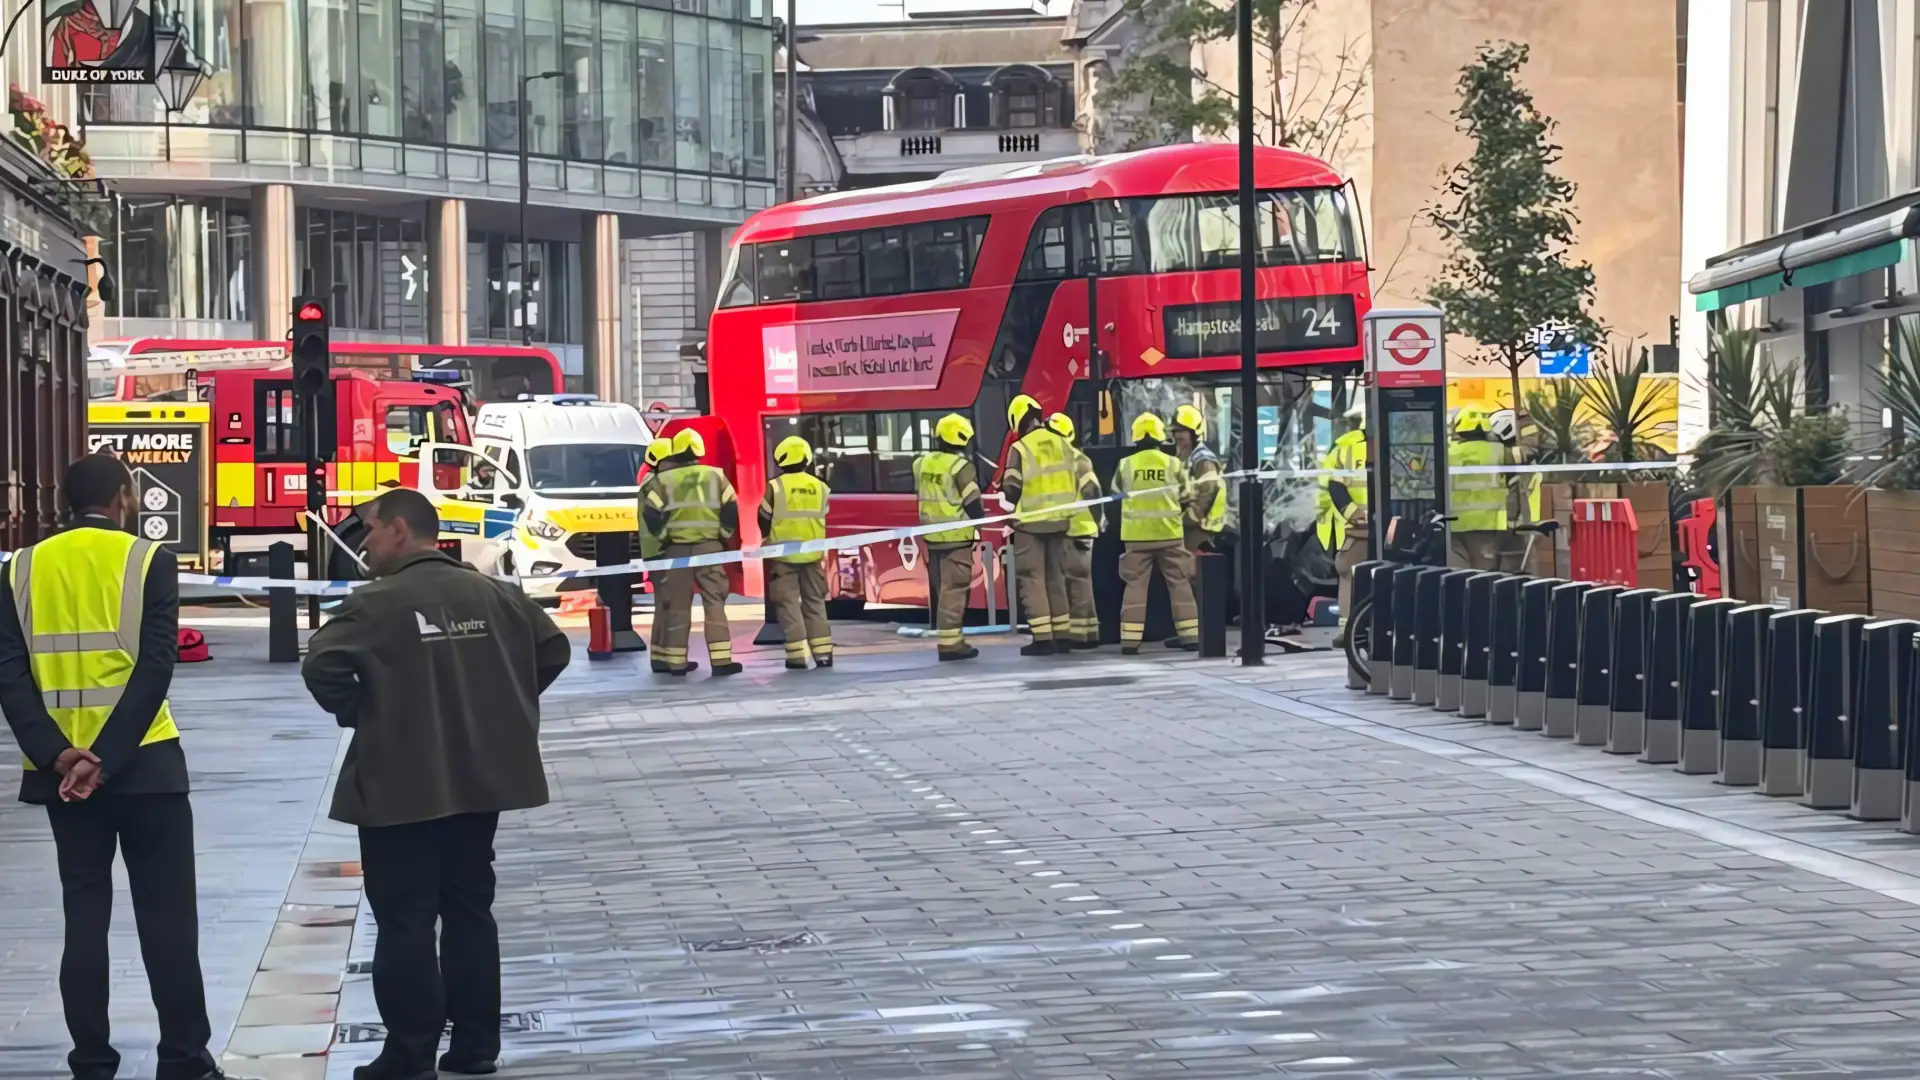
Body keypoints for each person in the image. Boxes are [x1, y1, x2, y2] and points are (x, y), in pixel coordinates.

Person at [302, 489, 570, 1080]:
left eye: (369, 529)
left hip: (401, 781)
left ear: (399, 530)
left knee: (405, 917)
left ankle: (410, 1054)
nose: (364, 543)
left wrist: (367, 712)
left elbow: (319, 666)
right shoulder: (495, 595)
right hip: (482, 778)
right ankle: (475, 1047)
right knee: (470, 908)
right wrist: (503, 704)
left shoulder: (376, 602)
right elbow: (554, 649)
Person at [0, 455, 234, 1080]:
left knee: (85, 917)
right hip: (146, 767)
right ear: (124, 497)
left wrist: (59, 756)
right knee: (167, 918)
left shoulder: (19, 569)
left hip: (60, 778)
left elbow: (10, 675)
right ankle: (183, 1058)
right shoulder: (146, 559)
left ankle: (92, 1060)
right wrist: (108, 757)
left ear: (63, 501)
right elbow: (157, 665)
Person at [642, 428, 742, 676]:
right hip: (710, 548)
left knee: (677, 606)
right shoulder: (715, 475)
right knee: (714, 602)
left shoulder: (664, 481)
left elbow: (650, 513)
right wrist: (724, 534)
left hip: (676, 551)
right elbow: (731, 507)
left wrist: (665, 537)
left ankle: (676, 663)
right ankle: (721, 662)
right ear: (699, 450)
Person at [1113, 413, 1200, 654]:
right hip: (1169, 533)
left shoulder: (1126, 464)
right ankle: (1191, 638)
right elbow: (1187, 496)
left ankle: (1130, 642)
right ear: (1161, 437)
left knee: (1135, 587)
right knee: (1180, 584)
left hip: (1135, 537)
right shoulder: (1173, 463)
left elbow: (1115, 491)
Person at [998, 394, 1075, 656]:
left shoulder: (1019, 449)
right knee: (1057, 578)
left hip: (1030, 525)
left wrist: (1004, 497)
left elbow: (1011, 489)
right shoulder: (1062, 443)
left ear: (1018, 420)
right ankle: (1063, 635)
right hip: (1061, 522)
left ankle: (1043, 638)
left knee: (1033, 579)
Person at [759, 435, 834, 670]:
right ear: (806, 458)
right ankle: (823, 655)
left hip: (783, 556)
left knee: (788, 603)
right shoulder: (820, 486)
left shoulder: (775, 486)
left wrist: (768, 538)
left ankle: (797, 655)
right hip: (812, 554)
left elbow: (763, 517)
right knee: (815, 602)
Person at [916, 413, 987, 661]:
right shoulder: (961, 467)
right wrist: (982, 523)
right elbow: (972, 502)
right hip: (956, 537)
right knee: (954, 590)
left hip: (931, 537)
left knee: (941, 589)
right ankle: (950, 644)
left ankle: (950, 639)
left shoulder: (922, 463)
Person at [1045, 412, 1104, 650]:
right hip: (1081, 529)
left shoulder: (1055, 462)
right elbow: (1093, 493)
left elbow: (1092, 492)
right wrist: (1099, 519)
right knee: (1081, 583)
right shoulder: (1079, 460)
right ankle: (1087, 634)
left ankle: (1077, 636)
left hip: (1068, 530)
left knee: (1070, 584)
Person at [1317, 401, 1369, 644]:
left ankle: (1348, 630)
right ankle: (1352, 629)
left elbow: (1332, 486)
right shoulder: (1400, 441)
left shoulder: (1345, 446)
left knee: (1349, 575)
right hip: (1374, 526)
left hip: (1355, 527)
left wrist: (1353, 514)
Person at [1449, 406, 1509, 570]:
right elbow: (1527, 456)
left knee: (1458, 570)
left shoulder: (1448, 452)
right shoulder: (1499, 451)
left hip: (1455, 522)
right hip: (1485, 523)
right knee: (1483, 572)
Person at [636, 437, 675, 671]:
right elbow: (658, 517)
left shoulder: (649, 480)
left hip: (653, 550)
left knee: (663, 604)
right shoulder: (655, 484)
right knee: (669, 603)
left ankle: (660, 657)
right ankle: (667, 657)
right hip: (660, 550)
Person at [1170, 404, 1226, 554]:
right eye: (1175, 431)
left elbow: (1206, 496)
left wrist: (1185, 519)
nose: (1177, 436)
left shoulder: (1203, 460)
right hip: (1190, 528)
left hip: (1202, 531)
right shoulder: (1184, 455)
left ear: (1194, 433)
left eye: (1182, 431)